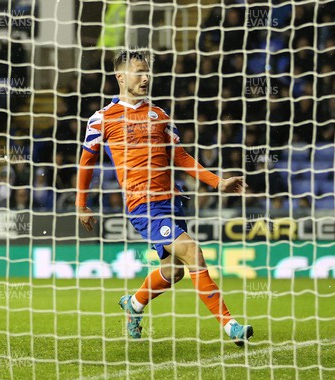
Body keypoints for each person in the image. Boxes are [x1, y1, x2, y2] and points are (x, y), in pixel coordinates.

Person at [75, 50, 253, 346]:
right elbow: (86, 162)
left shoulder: (160, 115)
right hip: (143, 204)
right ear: (120, 77)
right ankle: (230, 325)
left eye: (147, 73)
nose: (145, 78)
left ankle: (134, 305)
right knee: (193, 253)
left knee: (175, 271)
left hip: (172, 201)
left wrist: (217, 182)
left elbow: (180, 156)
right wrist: (81, 205)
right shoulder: (101, 119)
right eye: (138, 73)